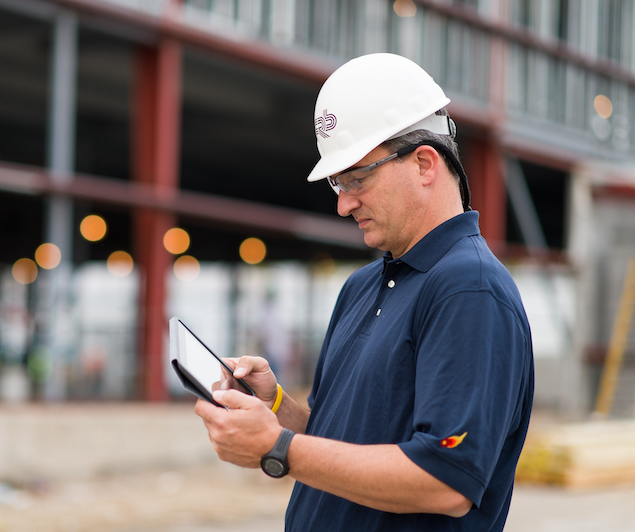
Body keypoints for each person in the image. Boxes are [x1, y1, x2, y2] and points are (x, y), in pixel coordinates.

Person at [194, 53, 534, 531]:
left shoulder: (469, 289)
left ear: (424, 164)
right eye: (339, 182)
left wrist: (277, 449)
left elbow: (447, 480)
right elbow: (341, 439)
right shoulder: (363, 286)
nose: (343, 203)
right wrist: (276, 408)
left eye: (357, 179)